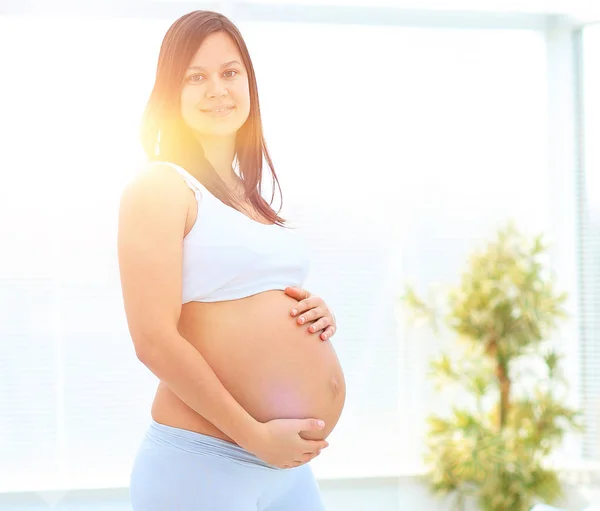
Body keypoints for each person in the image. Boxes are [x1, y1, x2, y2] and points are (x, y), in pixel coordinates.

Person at [117, 9, 346, 511]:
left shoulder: (250, 198)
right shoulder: (160, 186)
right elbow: (153, 340)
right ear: (170, 94)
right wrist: (253, 436)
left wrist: (315, 315)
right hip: (203, 465)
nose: (216, 89)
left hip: (285, 470)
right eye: (195, 77)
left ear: (249, 83)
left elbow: (246, 304)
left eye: (229, 72)